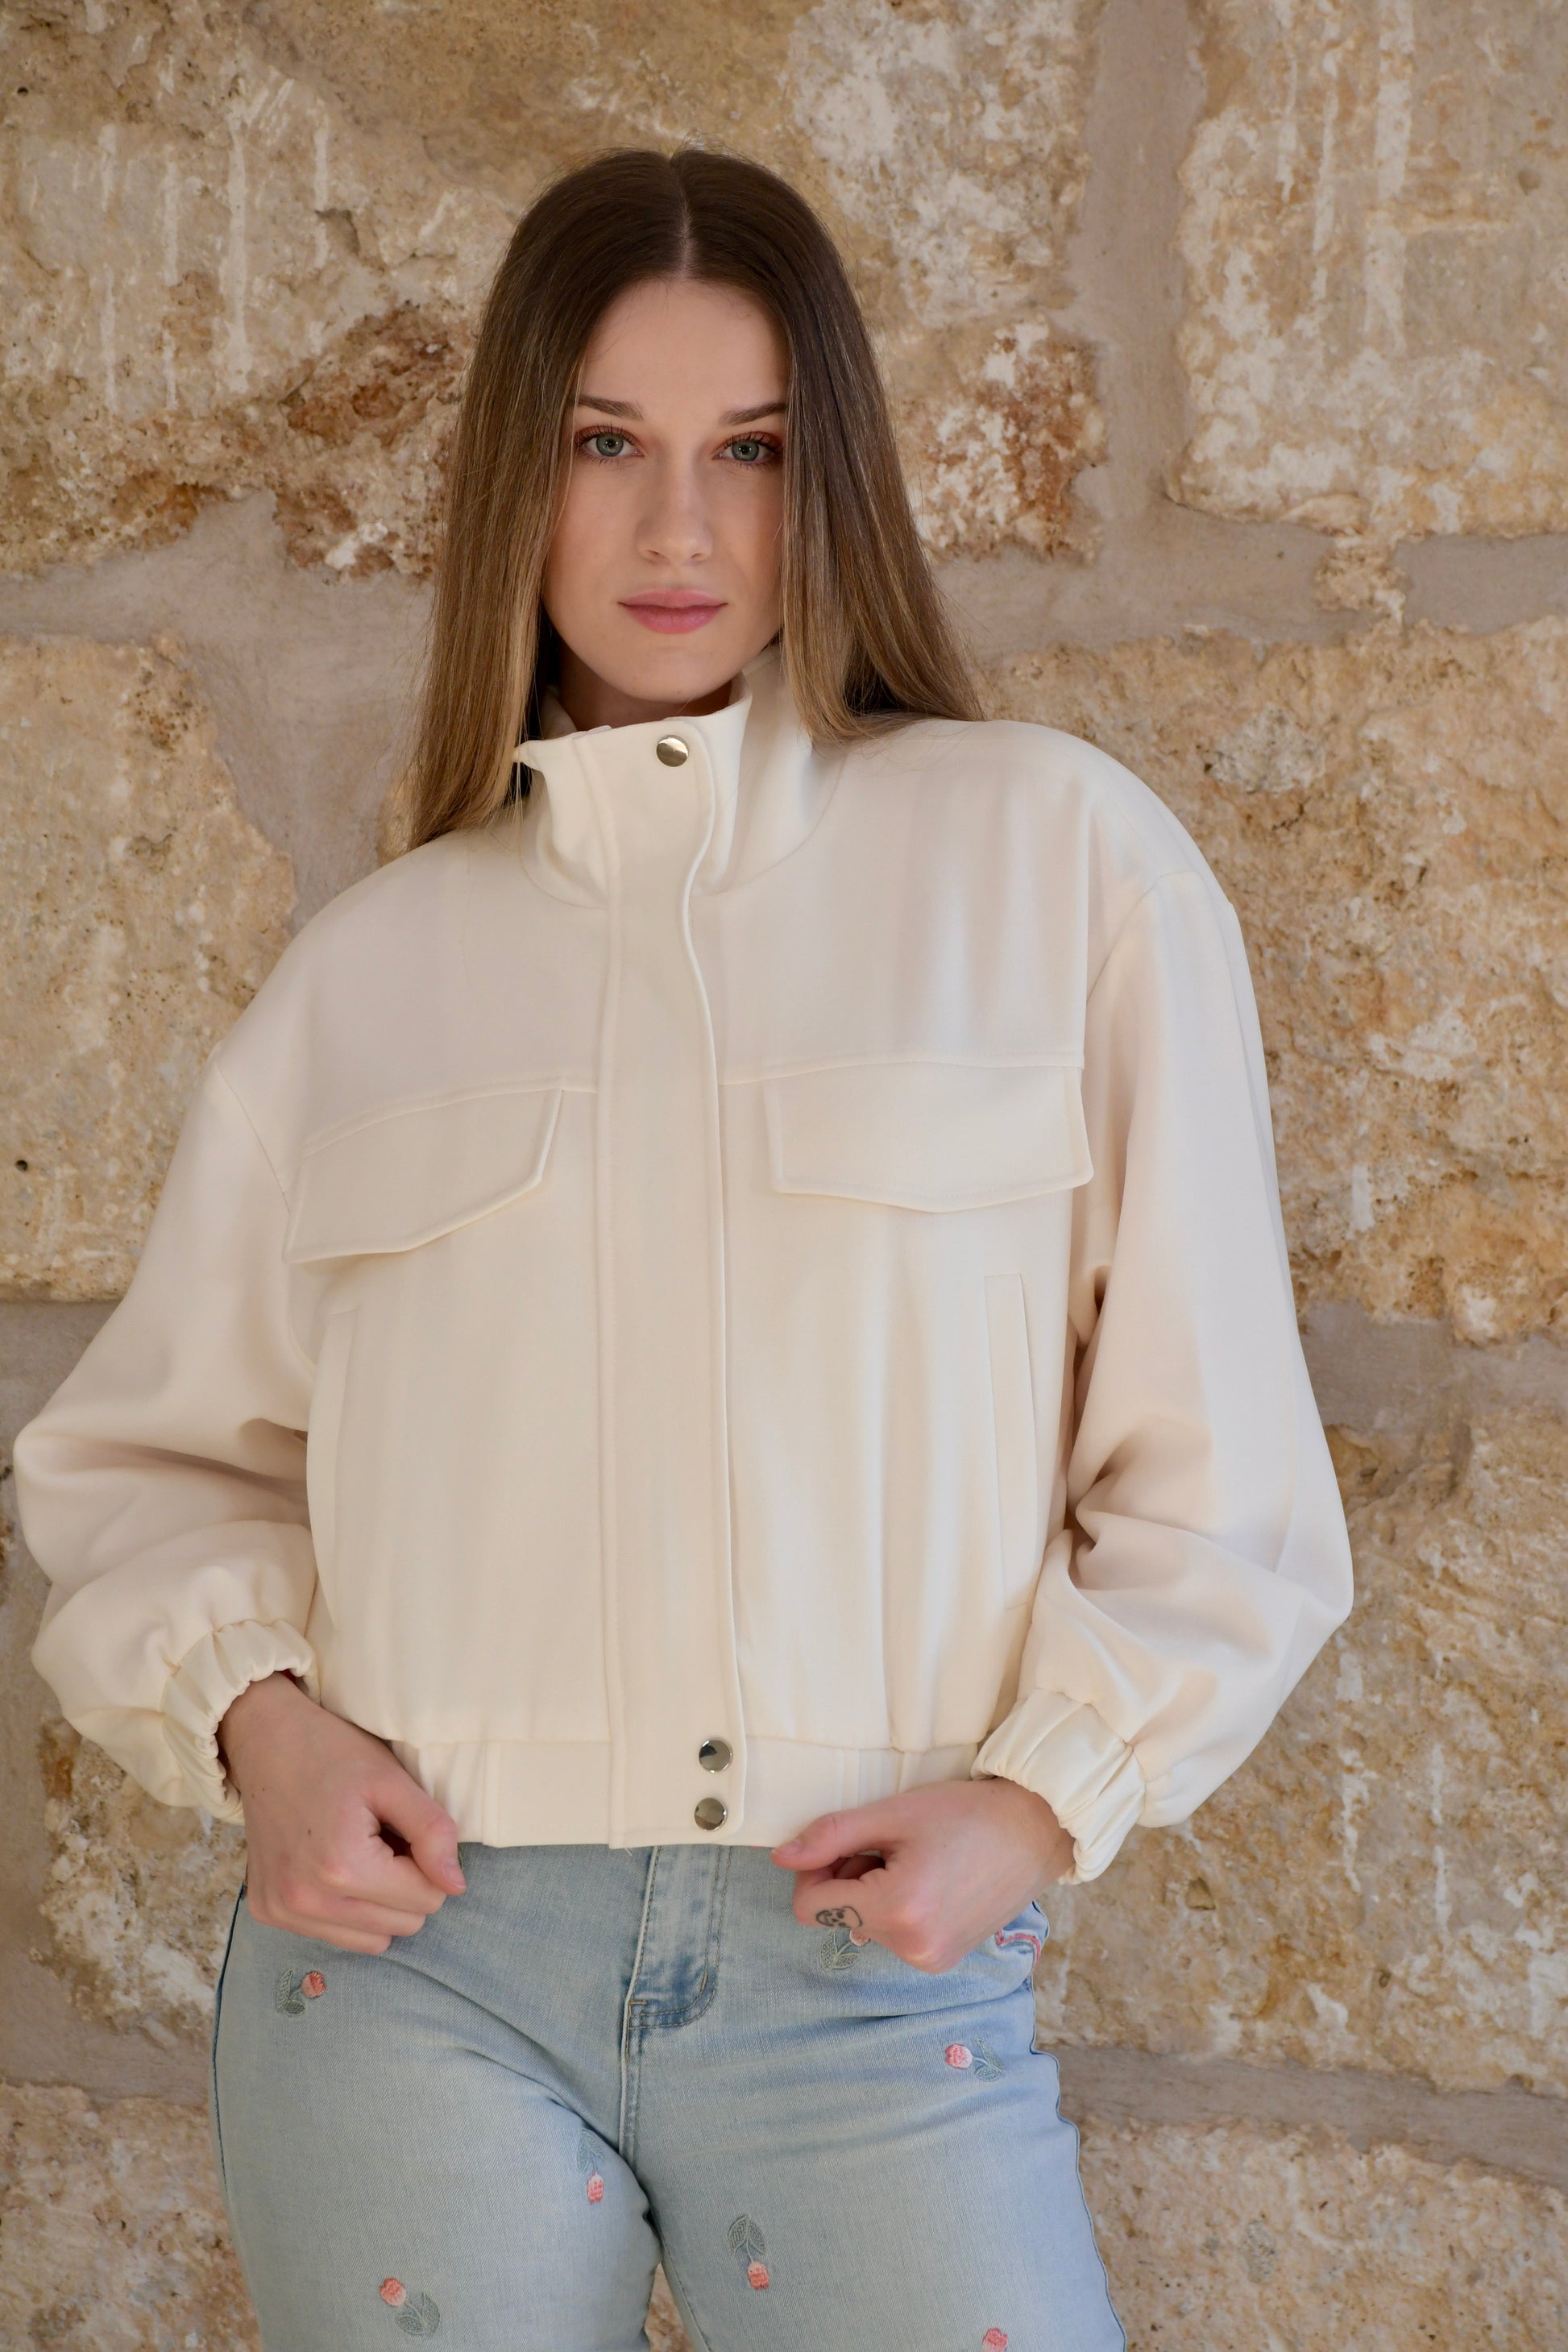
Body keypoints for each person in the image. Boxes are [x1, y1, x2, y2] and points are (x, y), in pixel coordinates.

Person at [15, 147, 1353, 2350]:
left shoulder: (1056, 868)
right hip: (415, 1978)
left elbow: (1221, 1465)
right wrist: (260, 1729)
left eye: (749, 451)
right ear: (512, 485)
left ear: (829, 482)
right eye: (603, 445)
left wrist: (1038, 1804)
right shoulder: (368, 981)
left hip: (865, 1971)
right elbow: (146, 1466)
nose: (676, 532)